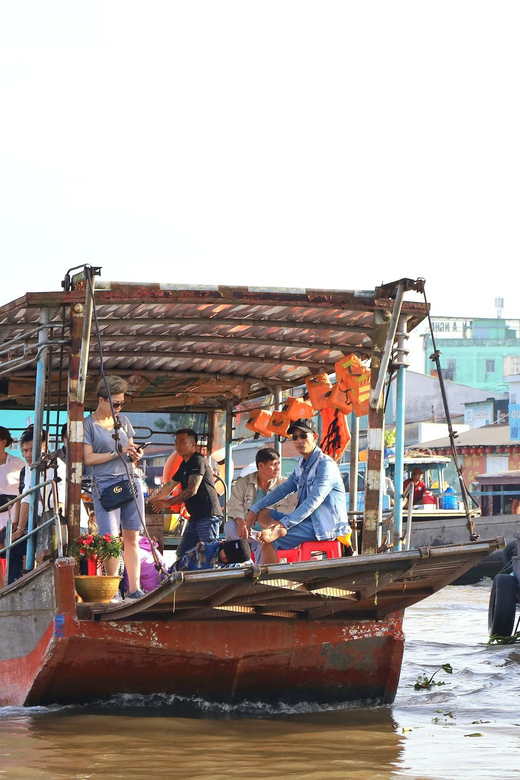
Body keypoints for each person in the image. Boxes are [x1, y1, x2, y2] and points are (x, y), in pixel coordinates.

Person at [245, 418, 351, 564]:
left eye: (303, 436)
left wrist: (284, 524)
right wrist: (255, 508)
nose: (299, 441)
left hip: (324, 527)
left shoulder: (325, 465)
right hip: (303, 522)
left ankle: (271, 583)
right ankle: (276, 532)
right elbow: (284, 489)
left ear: (314, 437)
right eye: (295, 437)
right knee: (262, 513)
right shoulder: (301, 464)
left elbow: (313, 501)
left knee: (268, 542)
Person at [83, 376, 145, 599]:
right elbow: (87, 458)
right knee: (110, 539)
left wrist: (137, 454)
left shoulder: (123, 421)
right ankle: (112, 590)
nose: (119, 407)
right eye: (115, 403)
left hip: (130, 480)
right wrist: (115, 453)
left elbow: (132, 452)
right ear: (101, 400)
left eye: (122, 403)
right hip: (105, 484)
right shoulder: (88, 424)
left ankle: (134, 588)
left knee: (132, 536)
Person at [151, 428, 223, 558]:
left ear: (193, 445)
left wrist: (168, 502)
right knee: (183, 553)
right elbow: (169, 486)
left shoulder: (198, 460)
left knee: (209, 553)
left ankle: (211, 578)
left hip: (208, 515)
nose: (178, 445)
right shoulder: (184, 465)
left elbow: (192, 489)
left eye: (182, 442)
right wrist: (151, 501)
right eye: (176, 442)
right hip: (195, 516)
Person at [224, 447, 297, 563]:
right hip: (247, 533)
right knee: (229, 526)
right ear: (261, 466)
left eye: (279, 464)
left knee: (264, 542)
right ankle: (257, 542)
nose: (278, 468)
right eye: (273, 464)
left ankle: (258, 548)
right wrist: (240, 521)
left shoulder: (284, 484)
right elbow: (234, 505)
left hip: (271, 533)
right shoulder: (243, 483)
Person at [0, 427, 24, 586]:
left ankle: (17, 585)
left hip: (10, 518)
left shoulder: (17, 464)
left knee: (15, 549)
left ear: (2, 442)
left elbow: (25, 492)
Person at [171, 538, 252, 572]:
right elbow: (176, 569)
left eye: (230, 560)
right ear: (223, 546)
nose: (226, 560)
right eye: (226, 555)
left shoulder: (242, 563)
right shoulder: (202, 551)